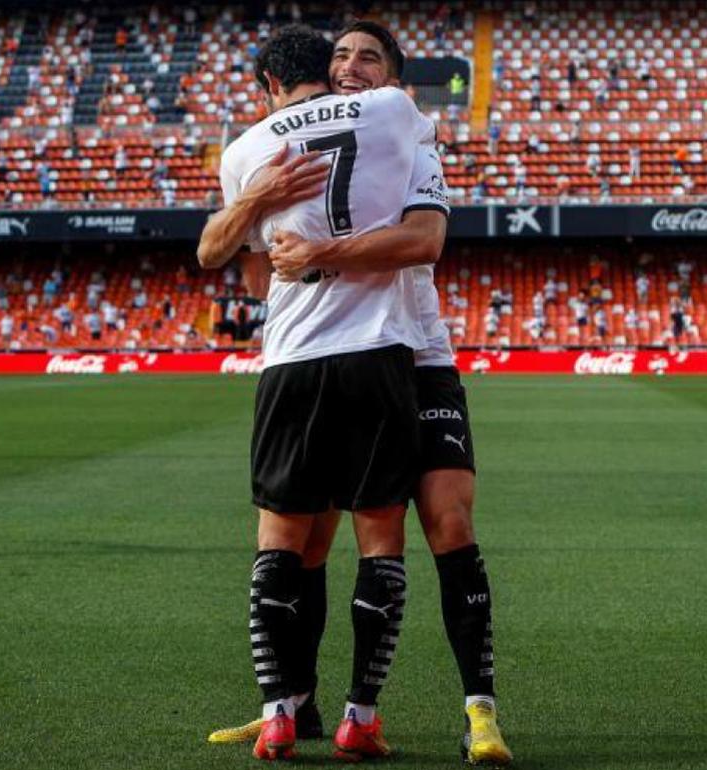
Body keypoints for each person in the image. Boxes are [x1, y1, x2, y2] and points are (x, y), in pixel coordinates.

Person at [207, 20, 512, 767]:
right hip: (356, 351)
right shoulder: (345, 130)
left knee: (448, 521)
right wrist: (263, 202)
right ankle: (297, 706)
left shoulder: (410, 133)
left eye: (366, 55)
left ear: (390, 73)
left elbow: (423, 240)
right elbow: (225, 248)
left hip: (417, 354)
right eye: (338, 54)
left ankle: (480, 711)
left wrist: (317, 252)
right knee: (310, 539)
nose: (349, 65)